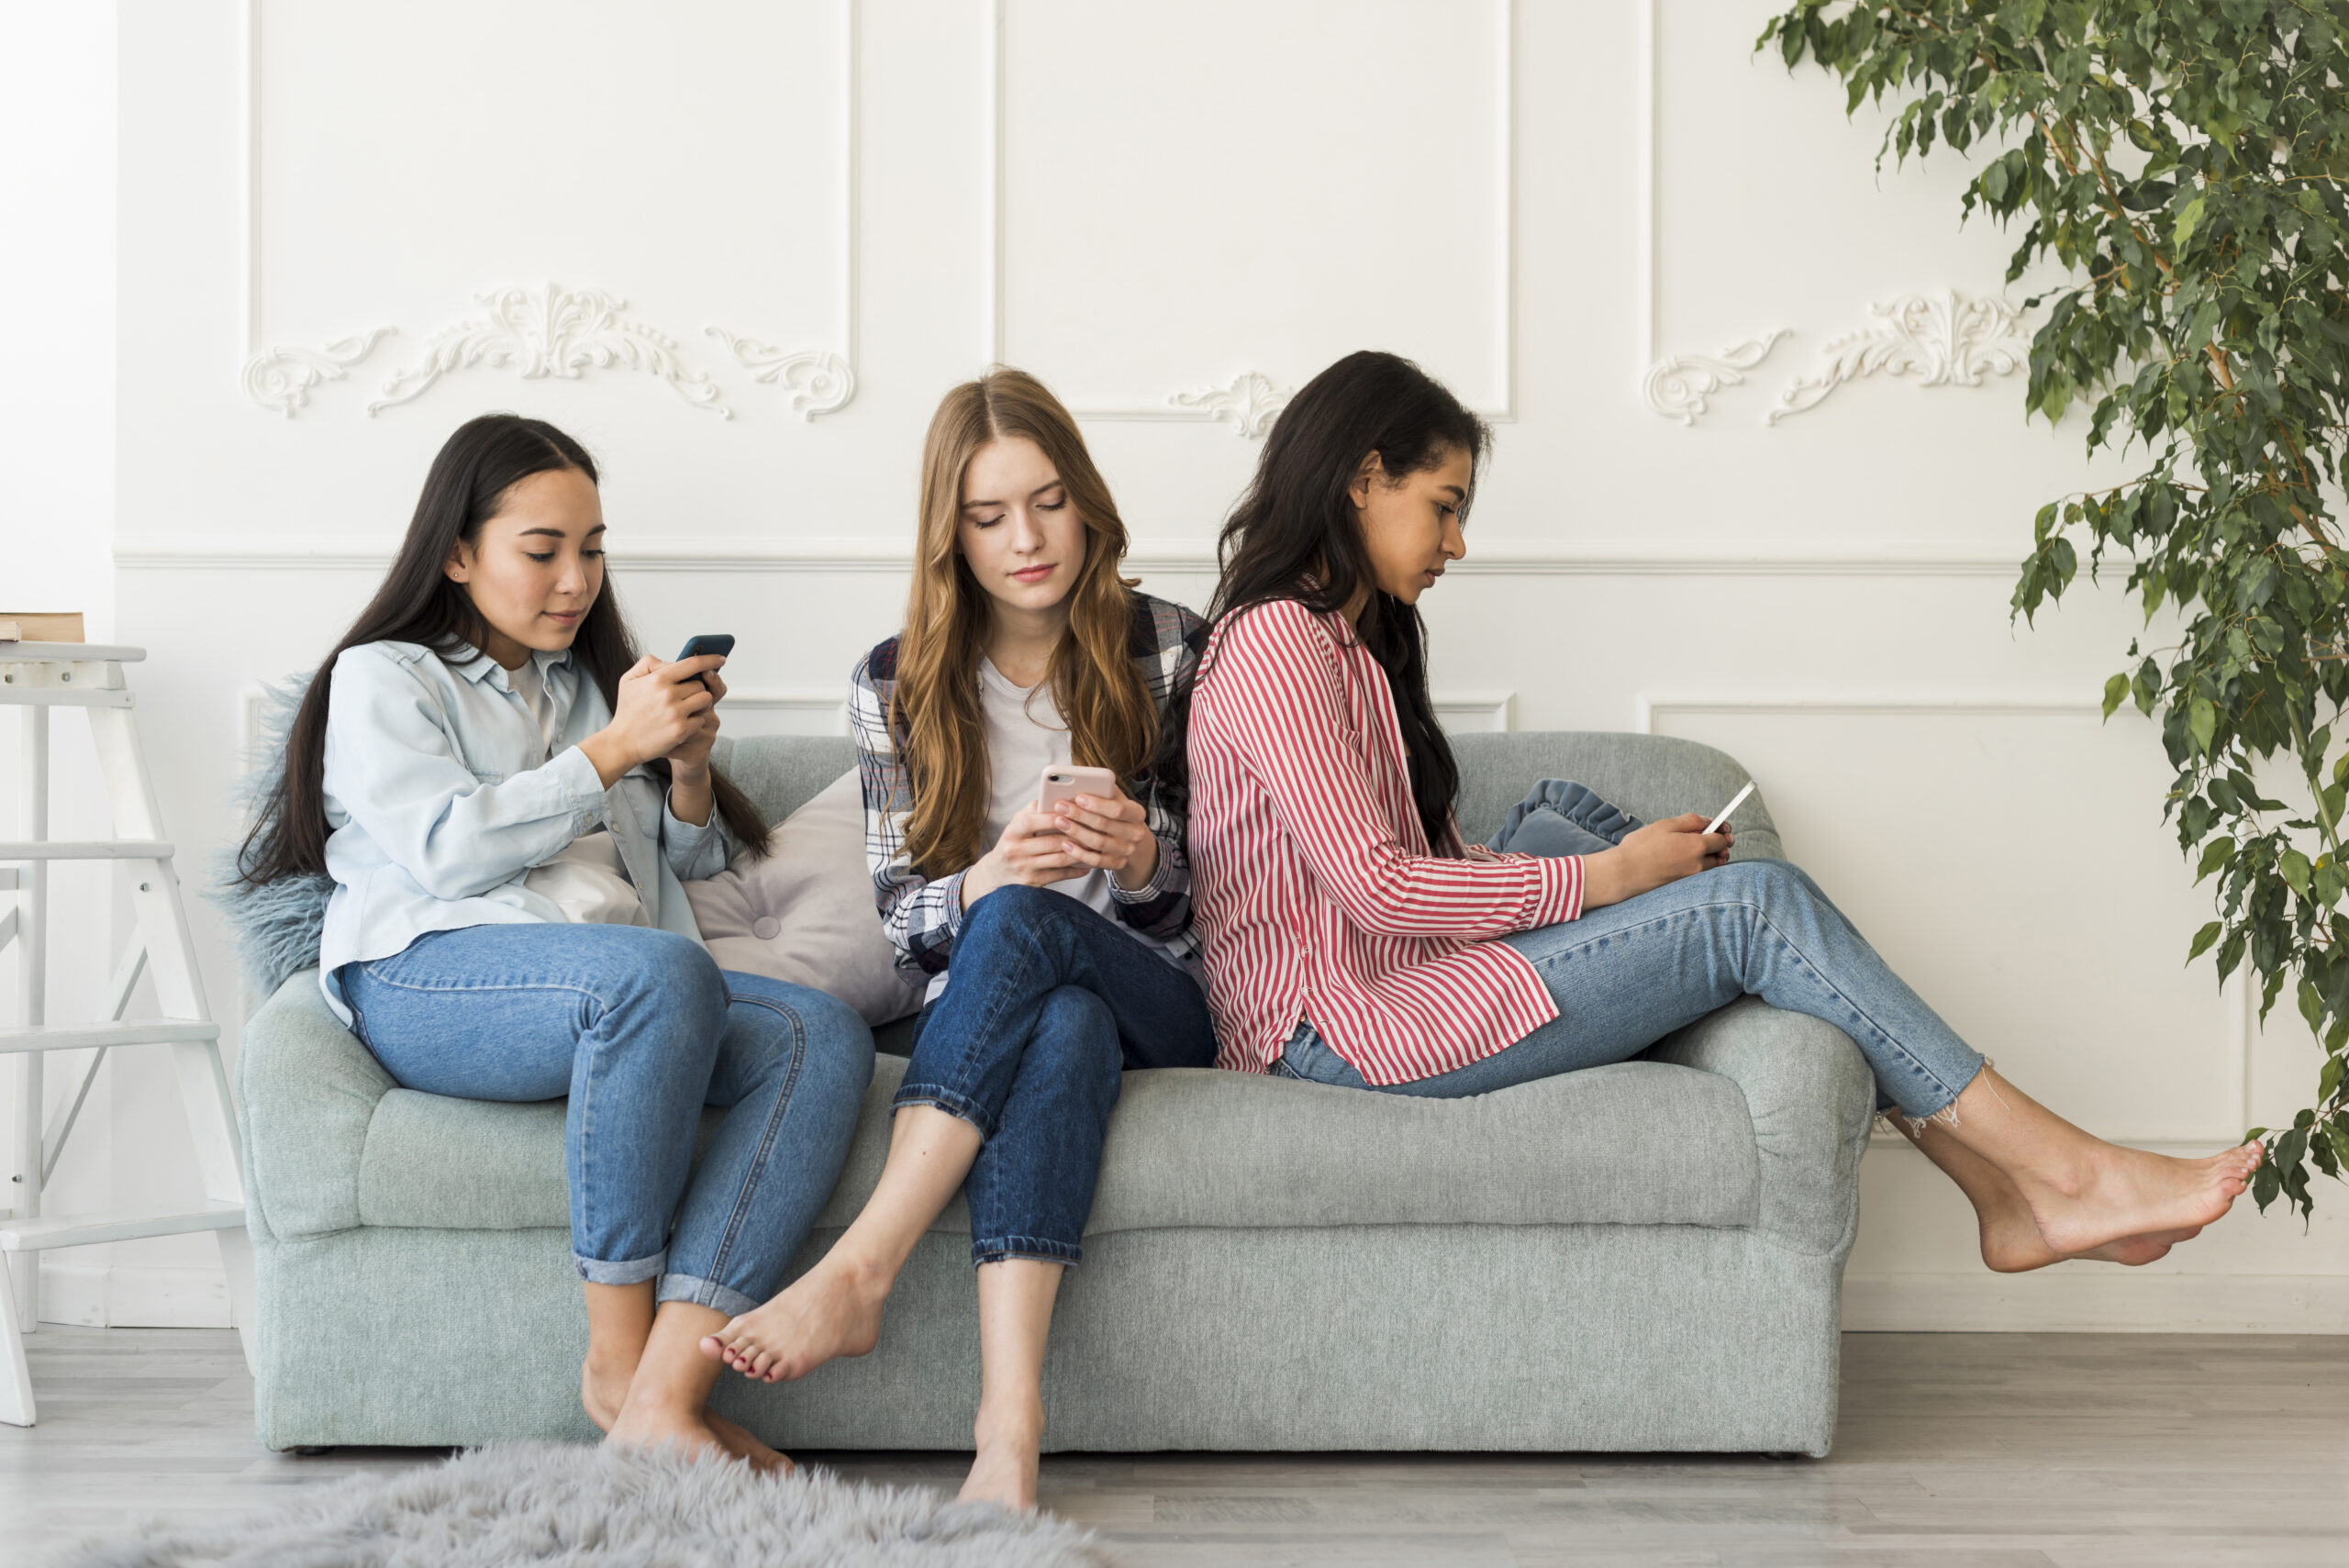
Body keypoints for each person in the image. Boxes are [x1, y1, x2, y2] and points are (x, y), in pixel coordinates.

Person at [1174, 349, 2263, 1274]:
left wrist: (1636, 867)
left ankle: (2005, 1188)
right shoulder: (1275, 640)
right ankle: (2064, 1172)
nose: (1456, 543)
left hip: (1394, 987)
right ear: (1366, 476)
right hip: (1334, 1032)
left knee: (1598, 835)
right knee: (1754, 910)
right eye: (1444, 505)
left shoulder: (1349, 649)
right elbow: (1377, 884)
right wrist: (1617, 880)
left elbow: (1418, 860)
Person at [234, 413, 874, 1468]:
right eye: (542, 550)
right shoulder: (385, 677)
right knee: (656, 976)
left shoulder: (585, 684)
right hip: (429, 975)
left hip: (618, 983)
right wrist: (611, 747)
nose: (575, 579)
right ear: (457, 552)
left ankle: (670, 1389)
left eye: (591, 548)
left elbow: (690, 865)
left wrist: (684, 769)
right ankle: (618, 1371)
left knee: (819, 1035)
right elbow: (443, 849)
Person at [700, 369, 1217, 1511]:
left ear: (1086, 501)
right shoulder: (893, 680)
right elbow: (902, 921)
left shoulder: (1175, 645)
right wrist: (986, 874)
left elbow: (1207, 903)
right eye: (988, 517)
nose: (1026, 539)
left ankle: (861, 1268)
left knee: (1049, 939)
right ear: (951, 534)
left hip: (1163, 997)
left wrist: (1136, 857)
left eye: (1046, 502)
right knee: (1058, 1012)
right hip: (1018, 1008)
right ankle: (1008, 1440)